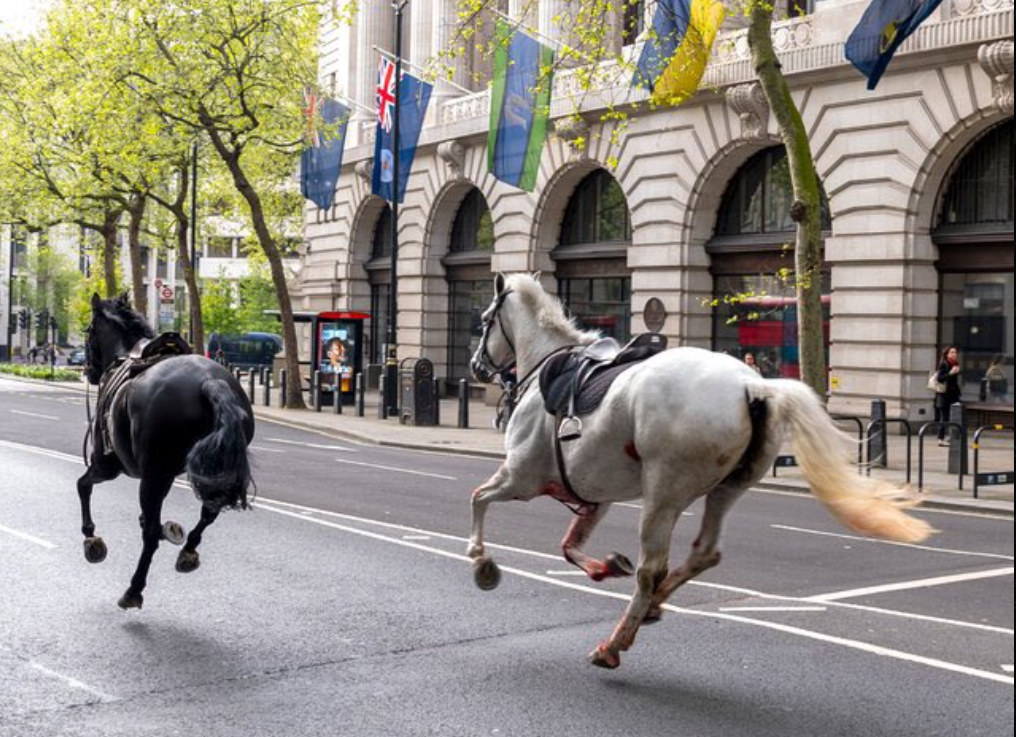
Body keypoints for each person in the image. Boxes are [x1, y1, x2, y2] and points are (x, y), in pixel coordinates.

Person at [934, 346, 962, 446]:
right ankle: (940, 439)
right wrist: (950, 373)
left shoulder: (956, 364)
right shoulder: (944, 363)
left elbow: (954, 381)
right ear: (947, 354)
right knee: (944, 417)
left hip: (954, 394)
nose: (955, 354)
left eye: (955, 352)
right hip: (944, 395)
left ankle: (952, 437)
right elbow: (939, 378)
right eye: (952, 352)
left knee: (956, 415)